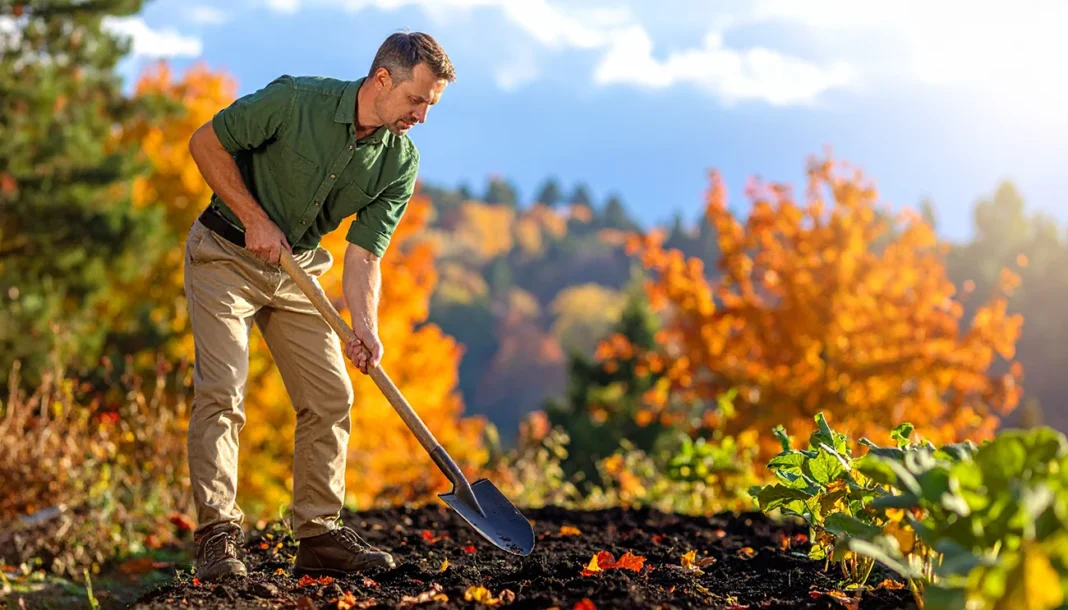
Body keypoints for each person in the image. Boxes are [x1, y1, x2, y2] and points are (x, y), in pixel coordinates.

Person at [183, 31, 454, 582]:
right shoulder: (294, 101)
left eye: (431, 105)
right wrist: (254, 217)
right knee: (224, 392)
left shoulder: (399, 162)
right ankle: (217, 535)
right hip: (224, 254)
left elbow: (364, 255)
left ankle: (317, 532)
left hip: (297, 271)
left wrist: (366, 327)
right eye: (417, 100)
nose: (423, 116)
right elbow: (204, 143)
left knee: (332, 396)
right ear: (383, 80)